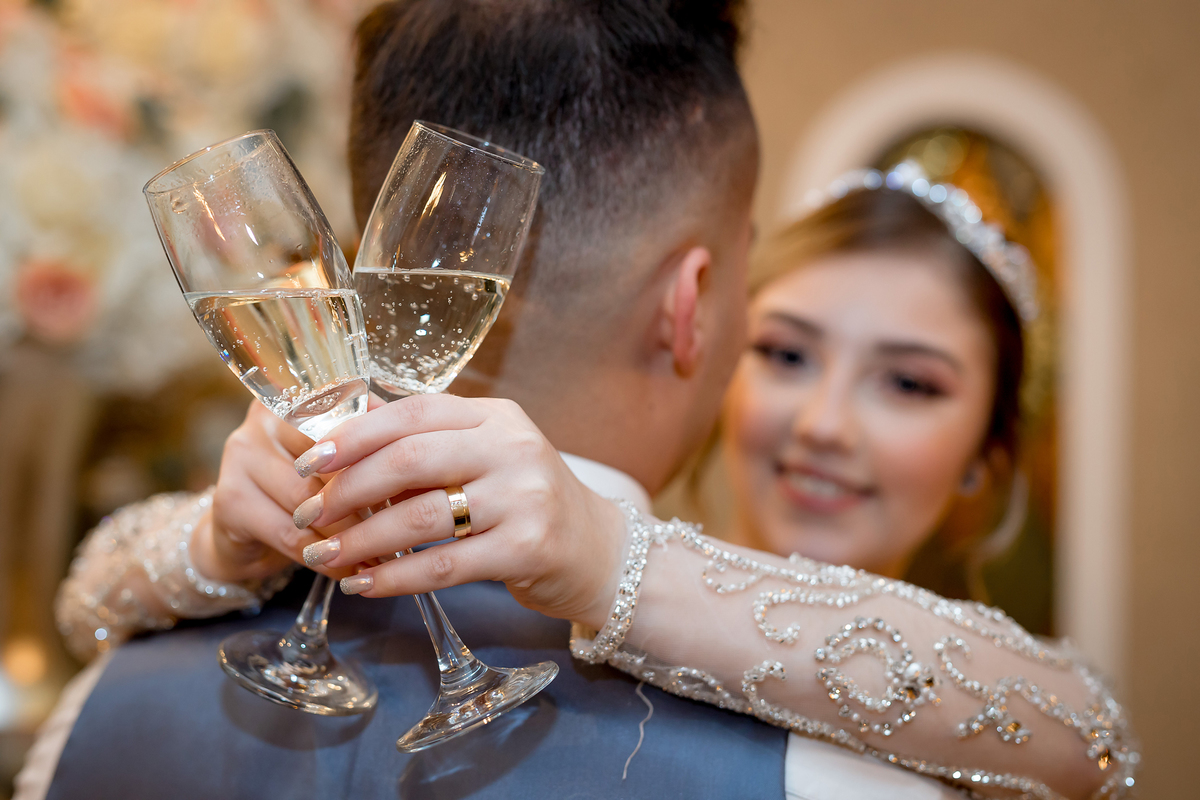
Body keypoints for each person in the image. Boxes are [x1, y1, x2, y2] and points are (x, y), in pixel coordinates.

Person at [26, 2, 1135, 799]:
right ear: (695, 306)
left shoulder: (91, 709)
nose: (824, 423)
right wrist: (217, 534)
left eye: (908, 378)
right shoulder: (845, 776)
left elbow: (1088, 730)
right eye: (789, 343)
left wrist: (611, 557)